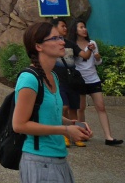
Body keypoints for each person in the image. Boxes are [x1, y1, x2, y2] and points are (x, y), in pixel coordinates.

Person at [12, 21, 91, 181]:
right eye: (55, 38)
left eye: (61, 37)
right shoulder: (29, 79)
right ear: (39, 46)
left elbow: (44, 112)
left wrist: (71, 123)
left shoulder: (52, 76)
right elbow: (19, 125)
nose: (62, 42)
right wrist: (65, 131)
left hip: (58, 158)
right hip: (40, 161)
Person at [70, 18, 122, 146]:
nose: (84, 29)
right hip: (80, 80)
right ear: (75, 30)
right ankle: (82, 134)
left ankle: (108, 137)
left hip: (93, 79)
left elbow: (98, 62)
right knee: (81, 109)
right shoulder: (72, 45)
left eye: (85, 27)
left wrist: (97, 57)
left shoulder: (92, 43)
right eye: (81, 27)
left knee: (101, 107)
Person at [52, 19, 84, 148]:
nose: (65, 28)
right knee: (64, 107)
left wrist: (91, 49)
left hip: (72, 81)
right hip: (60, 82)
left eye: (66, 26)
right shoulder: (52, 44)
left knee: (73, 110)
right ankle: (64, 134)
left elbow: (84, 55)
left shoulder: (70, 44)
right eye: (62, 26)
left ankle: (76, 135)